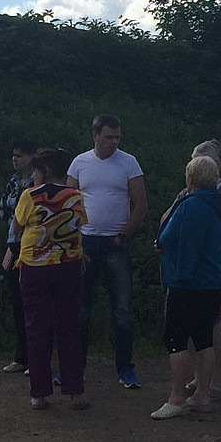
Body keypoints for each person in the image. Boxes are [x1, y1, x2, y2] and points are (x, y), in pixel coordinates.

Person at [69, 114, 147, 389]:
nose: (114, 142)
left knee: (122, 310)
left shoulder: (129, 162)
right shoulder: (80, 162)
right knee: (80, 308)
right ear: (95, 136)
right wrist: (73, 236)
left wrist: (124, 235)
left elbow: (141, 205)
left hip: (116, 243)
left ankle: (125, 368)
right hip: (86, 243)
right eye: (109, 137)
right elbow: (67, 203)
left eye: (117, 138)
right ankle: (74, 367)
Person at [152, 154, 221, 421]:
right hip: (215, 281)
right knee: (203, 336)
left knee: (176, 338)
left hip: (189, 282)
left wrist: (178, 271)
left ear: (191, 178)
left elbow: (182, 241)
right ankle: (203, 395)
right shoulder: (218, 205)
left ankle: (177, 398)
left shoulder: (192, 206)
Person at [13, 148, 89, 410]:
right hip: (68, 265)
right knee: (69, 327)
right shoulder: (76, 196)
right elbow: (80, 223)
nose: (33, 175)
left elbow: (17, 226)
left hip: (35, 267)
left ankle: (39, 393)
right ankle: (75, 391)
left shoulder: (30, 195)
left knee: (36, 328)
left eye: (35, 170)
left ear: (44, 171)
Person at [0, 138, 39, 374]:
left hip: (33, 245)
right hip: (14, 244)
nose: (15, 159)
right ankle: (21, 356)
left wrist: (24, 226)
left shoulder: (38, 182)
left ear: (32, 157)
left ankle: (36, 357)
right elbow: (2, 207)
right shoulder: (13, 182)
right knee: (17, 300)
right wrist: (14, 224)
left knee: (34, 302)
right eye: (13, 155)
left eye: (20, 155)